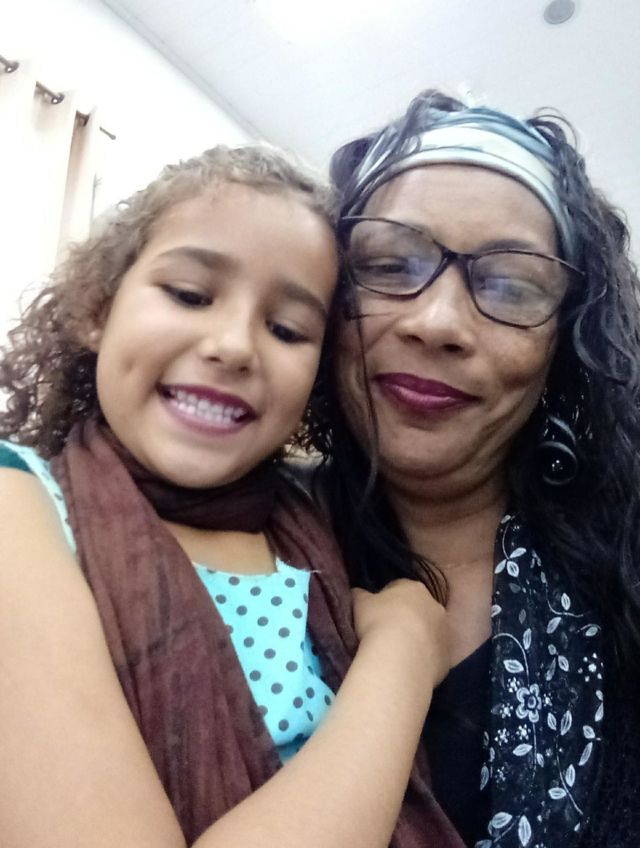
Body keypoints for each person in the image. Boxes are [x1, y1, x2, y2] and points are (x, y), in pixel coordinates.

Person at [0, 145, 452, 848]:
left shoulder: (316, 527)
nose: (235, 346)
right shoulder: (19, 504)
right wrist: (404, 653)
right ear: (98, 308)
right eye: (189, 294)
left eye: (287, 329)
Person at [308, 91, 640, 847]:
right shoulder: (229, 537)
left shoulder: (624, 567)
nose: (438, 323)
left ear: (565, 344)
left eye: (511, 285)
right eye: (389, 265)